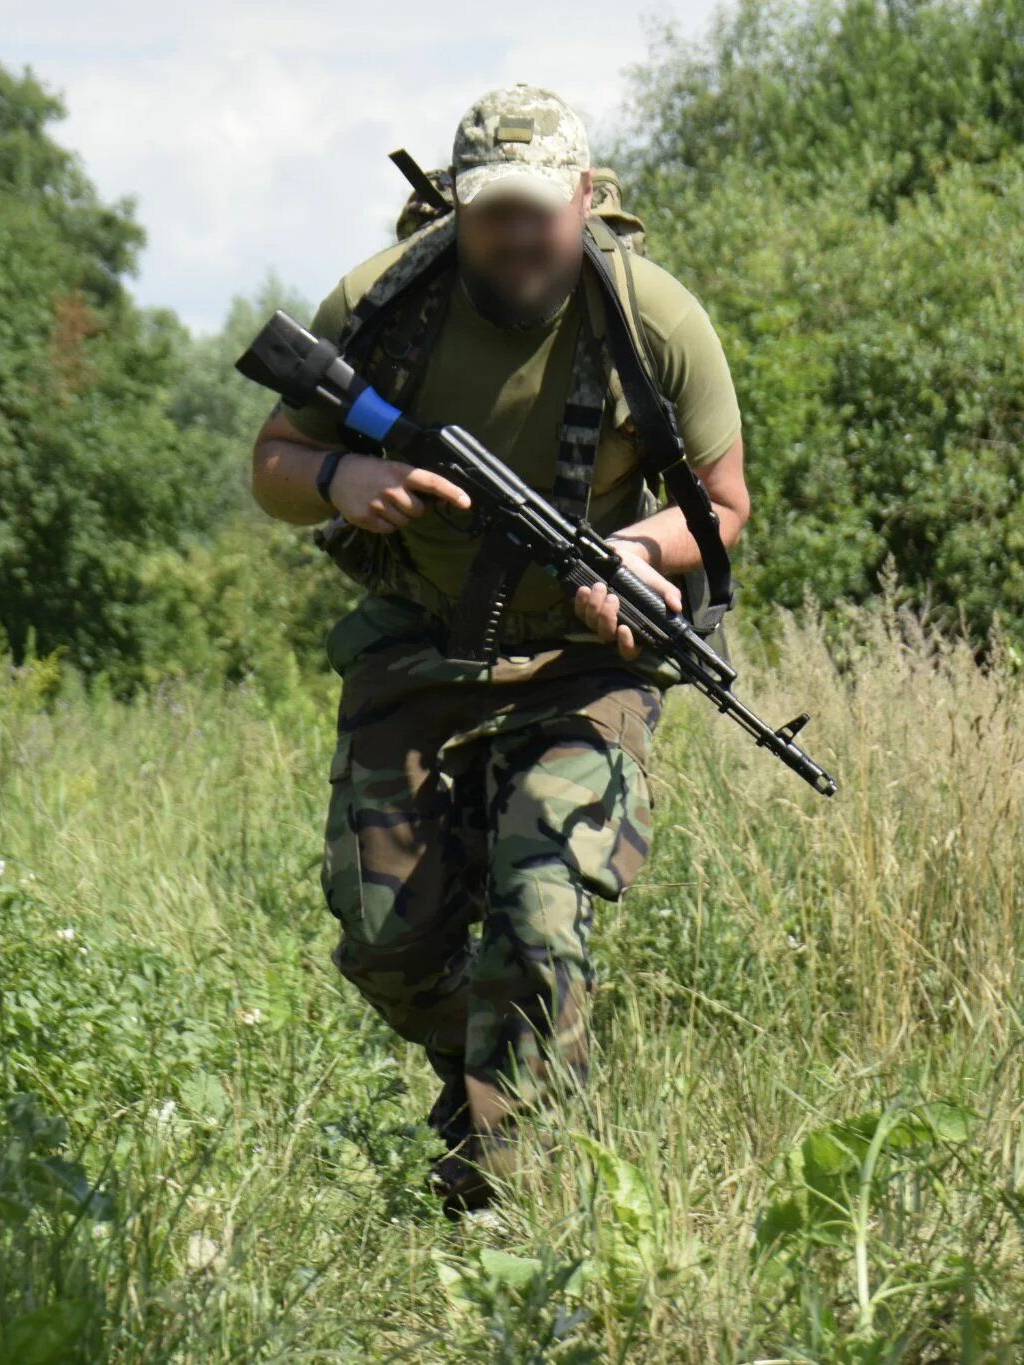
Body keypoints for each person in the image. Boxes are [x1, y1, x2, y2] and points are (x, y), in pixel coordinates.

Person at [250, 84, 751, 1214]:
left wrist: (635, 552)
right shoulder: (381, 305)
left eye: (540, 210)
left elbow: (721, 506)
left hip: (587, 661)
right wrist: (342, 475)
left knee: (536, 903)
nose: (518, 236)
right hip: (420, 645)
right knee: (385, 939)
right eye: (491, 213)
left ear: (584, 199)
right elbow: (272, 459)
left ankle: (511, 1209)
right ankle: (491, 1082)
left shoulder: (654, 321)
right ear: (452, 209)